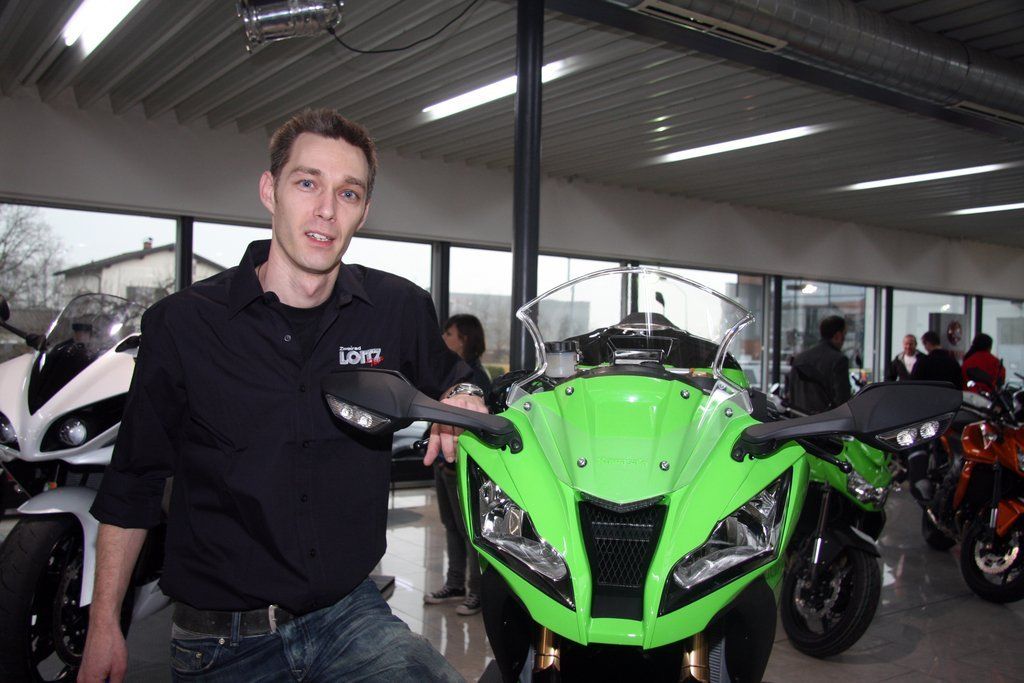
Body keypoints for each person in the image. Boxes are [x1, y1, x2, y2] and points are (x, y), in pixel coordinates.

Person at [78, 109, 485, 683]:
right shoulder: (184, 326)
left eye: (348, 192)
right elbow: (134, 482)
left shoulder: (397, 310)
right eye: (307, 183)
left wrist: (462, 396)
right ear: (270, 191)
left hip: (349, 618)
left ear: (364, 211)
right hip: (222, 641)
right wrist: (103, 625)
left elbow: (460, 376)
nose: (327, 209)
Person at [425, 314, 492, 616]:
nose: (444, 338)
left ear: (464, 339)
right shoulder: (447, 377)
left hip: (462, 467)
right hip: (444, 464)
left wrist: (454, 463)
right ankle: (455, 584)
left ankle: (476, 591)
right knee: (450, 526)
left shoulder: (474, 381)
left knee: (469, 531)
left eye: (449, 333)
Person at [787, 315, 851, 414]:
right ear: (838, 336)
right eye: (844, 334)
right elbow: (842, 399)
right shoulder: (839, 360)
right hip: (826, 421)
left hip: (799, 419)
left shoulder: (800, 358)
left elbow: (791, 393)